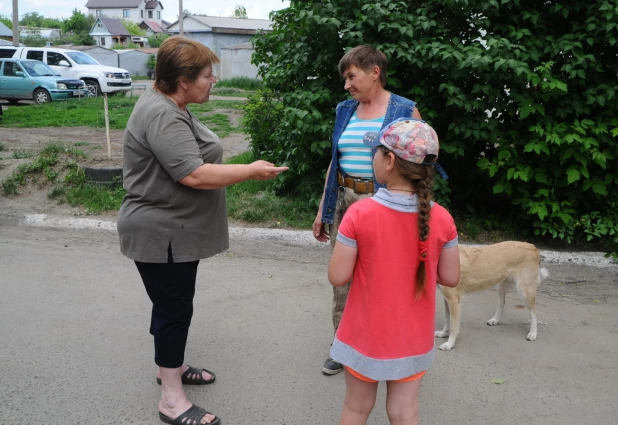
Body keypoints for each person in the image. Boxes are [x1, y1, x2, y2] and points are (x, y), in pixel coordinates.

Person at [117, 36, 288, 425]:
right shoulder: (162, 113)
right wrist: (251, 171)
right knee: (174, 310)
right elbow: (193, 173)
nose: (213, 82)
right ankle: (171, 400)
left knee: (173, 305)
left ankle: (170, 367)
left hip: (173, 228)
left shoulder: (170, 104)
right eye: (208, 76)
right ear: (183, 81)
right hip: (162, 232)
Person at [327, 118, 460, 425]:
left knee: (356, 409)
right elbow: (451, 278)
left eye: (376, 151)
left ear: (388, 160)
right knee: (404, 412)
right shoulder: (442, 218)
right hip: (412, 341)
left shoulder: (359, 213)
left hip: (365, 337)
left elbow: (337, 276)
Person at [312, 45, 423, 375]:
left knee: (385, 278)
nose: (346, 85)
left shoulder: (404, 109)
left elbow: (421, 163)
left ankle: (387, 345)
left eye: (351, 76)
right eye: (345, 78)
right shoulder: (345, 110)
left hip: (386, 205)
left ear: (375, 72)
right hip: (345, 201)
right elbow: (336, 160)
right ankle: (342, 345)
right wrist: (323, 211)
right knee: (342, 280)